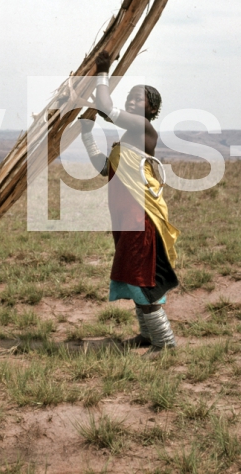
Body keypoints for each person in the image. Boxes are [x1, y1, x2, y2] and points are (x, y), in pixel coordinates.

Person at [79, 52, 180, 355]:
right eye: (131, 98)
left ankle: (165, 343)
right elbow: (103, 169)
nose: (133, 102)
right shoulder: (127, 140)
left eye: (140, 99)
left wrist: (103, 71)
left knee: (142, 274)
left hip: (142, 216)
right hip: (125, 217)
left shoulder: (143, 129)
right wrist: (87, 136)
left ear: (151, 109)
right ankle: (148, 336)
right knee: (136, 275)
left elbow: (107, 107)